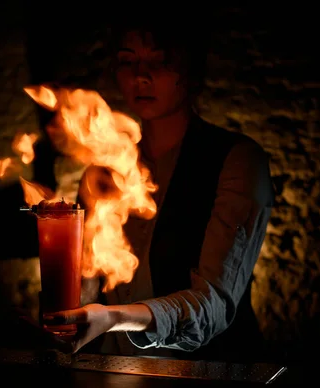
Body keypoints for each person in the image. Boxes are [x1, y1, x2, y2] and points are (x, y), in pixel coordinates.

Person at [42, 15, 276, 363]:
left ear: (192, 69)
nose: (141, 76)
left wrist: (116, 318)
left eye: (160, 60)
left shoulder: (237, 162)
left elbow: (213, 303)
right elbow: (83, 287)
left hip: (208, 376)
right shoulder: (101, 172)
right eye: (127, 60)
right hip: (112, 376)